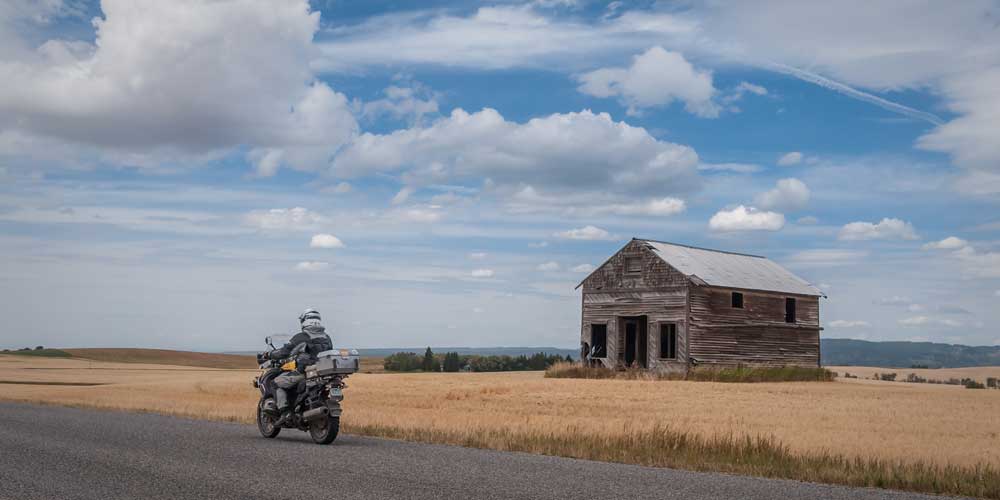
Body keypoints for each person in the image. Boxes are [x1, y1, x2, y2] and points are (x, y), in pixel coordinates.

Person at [269, 308, 333, 426]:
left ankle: (285, 412)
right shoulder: (327, 337)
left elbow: (285, 351)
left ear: (305, 320)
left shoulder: (302, 336)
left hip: (305, 373)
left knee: (275, 383)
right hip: (323, 373)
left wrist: (270, 354)